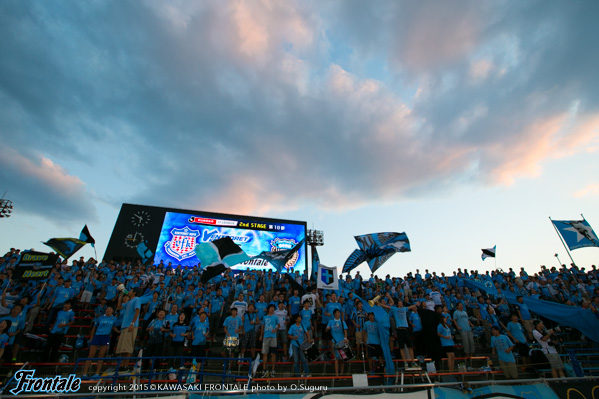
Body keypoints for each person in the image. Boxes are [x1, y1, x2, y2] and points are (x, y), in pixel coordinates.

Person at [82, 306, 118, 377]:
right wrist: (92, 338)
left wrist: (119, 331)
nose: (108, 310)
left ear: (112, 311)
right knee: (91, 355)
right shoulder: (100, 318)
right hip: (97, 336)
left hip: (106, 337)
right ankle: (84, 373)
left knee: (101, 355)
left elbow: (114, 327)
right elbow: (94, 327)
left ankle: (97, 373)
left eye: (110, 309)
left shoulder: (114, 319)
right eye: (107, 309)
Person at [116, 288, 141, 372]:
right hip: (125, 325)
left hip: (130, 325)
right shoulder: (129, 301)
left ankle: (126, 365)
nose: (129, 291)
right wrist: (121, 295)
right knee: (123, 347)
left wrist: (132, 323)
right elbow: (119, 307)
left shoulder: (136, 299)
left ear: (134, 292)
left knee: (128, 346)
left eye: (130, 290)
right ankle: (122, 364)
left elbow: (137, 311)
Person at [326, 309, 348, 376]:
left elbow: (345, 331)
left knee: (342, 359)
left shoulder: (342, 322)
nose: (339, 314)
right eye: (338, 313)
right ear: (335, 314)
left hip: (341, 342)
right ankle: (337, 374)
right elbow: (326, 329)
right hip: (335, 342)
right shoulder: (331, 322)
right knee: (336, 359)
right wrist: (327, 329)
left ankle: (341, 373)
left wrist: (345, 338)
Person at [260, 305, 279, 377]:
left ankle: (273, 369)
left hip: (273, 337)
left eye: (273, 308)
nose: (272, 309)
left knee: (273, 353)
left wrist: (276, 329)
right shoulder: (265, 317)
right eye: (271, 308)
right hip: (266, 336)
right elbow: (263, 326)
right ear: (268, 309)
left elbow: (279, 325)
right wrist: (261, 335)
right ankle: (264, 369)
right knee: (265, 353)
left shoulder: (275, 317)